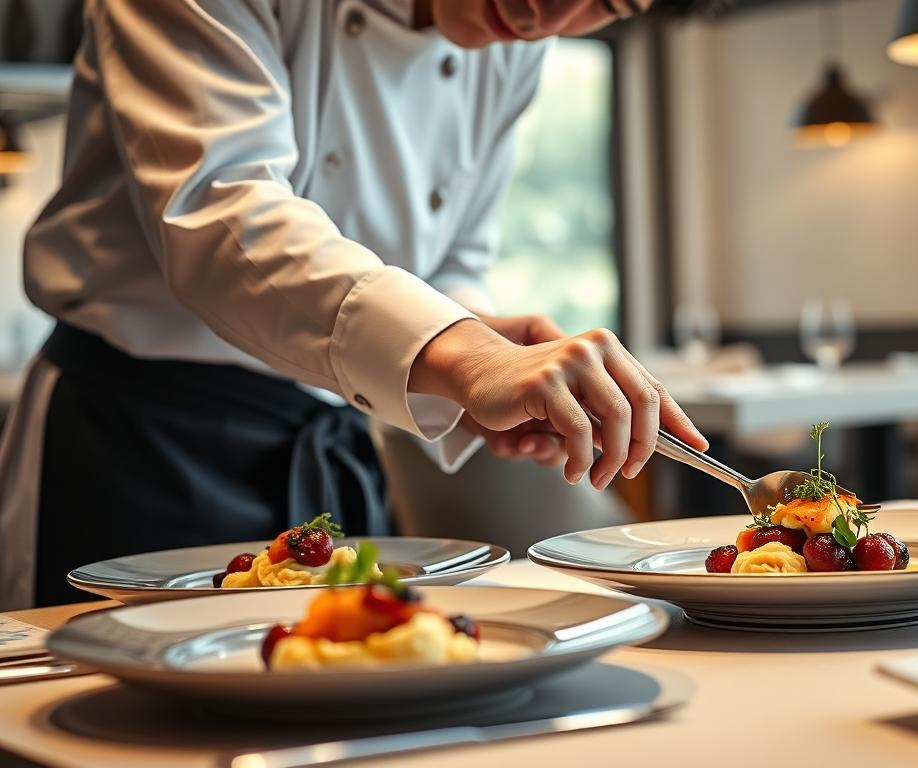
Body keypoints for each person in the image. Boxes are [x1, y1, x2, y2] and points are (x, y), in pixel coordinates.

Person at [0, 0, 716, 609]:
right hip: (135, 441)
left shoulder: (514, 46)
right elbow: (221, 216)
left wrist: (481, 362)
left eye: (607, 7)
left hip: (335, 440)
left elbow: (453, 258)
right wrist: (464, 354)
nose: (546, 15)